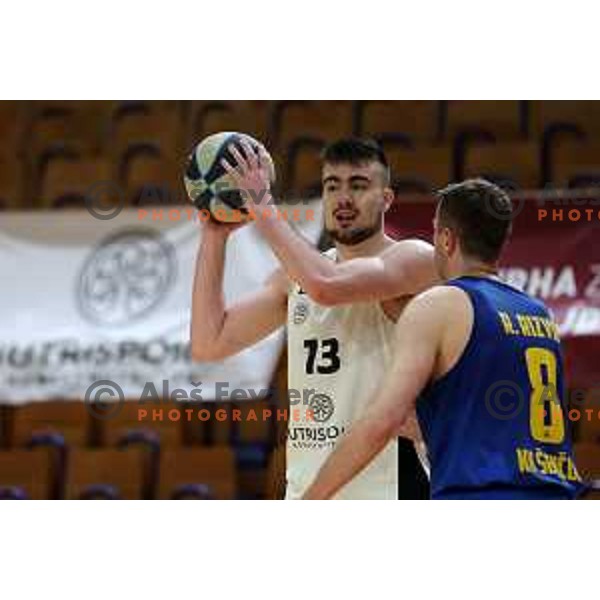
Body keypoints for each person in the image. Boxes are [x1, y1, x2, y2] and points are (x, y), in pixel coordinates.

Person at [302, 178, 585, 500]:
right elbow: (483, 419)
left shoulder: (439, 304)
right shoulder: (539, 313)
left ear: (447, 239)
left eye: (436, 231)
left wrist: (311, 499)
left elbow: (383, 420)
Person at [191, 137, 436, 499]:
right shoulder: (296, 278)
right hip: (311, 482)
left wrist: (262, 205)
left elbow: (327, 286)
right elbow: (209, 343)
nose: (343, 198)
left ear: (386, 199)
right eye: (332, 186)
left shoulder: (413, 259)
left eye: (359, 185)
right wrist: (214, 236)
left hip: (391, 480)